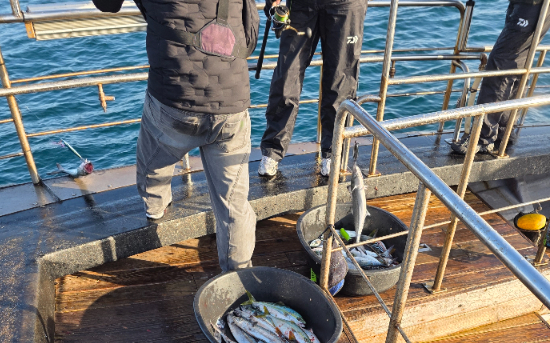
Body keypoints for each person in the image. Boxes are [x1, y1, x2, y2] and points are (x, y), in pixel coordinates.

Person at [92, 0, 260, 271]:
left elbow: (107, 4)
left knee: (152, 159)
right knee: (234, 206)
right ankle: (238, 276)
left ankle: (155, 206)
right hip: (232, 102)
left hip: (174, 100)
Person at [257, 0, 368, 178]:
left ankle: (333, 152)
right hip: (300, 4)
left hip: (346, 5)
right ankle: (272, 150)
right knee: (286, 75)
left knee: (341, 82)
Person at [451, 0, 550, 156]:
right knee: (518, 62)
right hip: (541, 3)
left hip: (533, 3)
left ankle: (483, 137)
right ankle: (503, 130)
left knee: (500, 64)